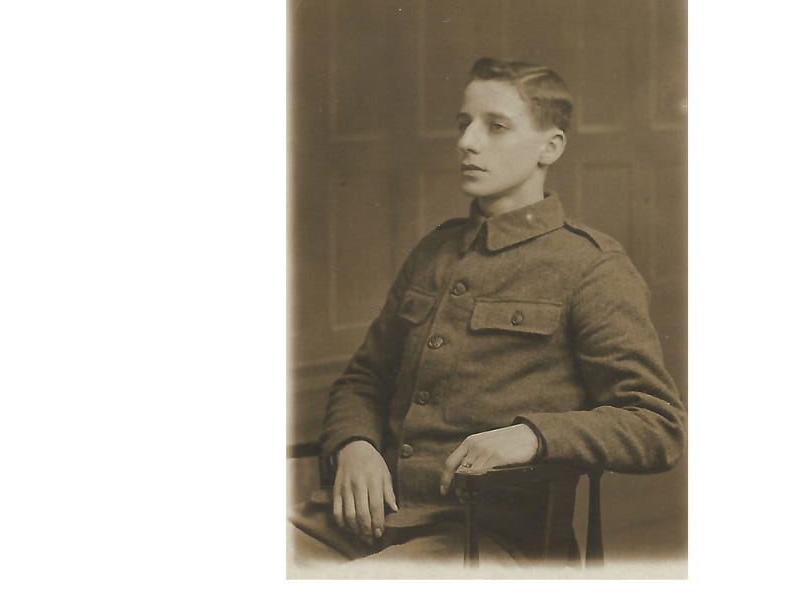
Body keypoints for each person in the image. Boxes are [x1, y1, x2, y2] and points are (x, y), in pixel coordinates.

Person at [288, 57, 686, 570]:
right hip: (362, 523)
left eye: (495, 126)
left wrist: (535, 435)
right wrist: (354, 443)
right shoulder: (435, 251)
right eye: (464, 124)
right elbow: (364, 377)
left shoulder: (591, 267)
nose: (467, 141)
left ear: (551, 147)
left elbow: (657, 424)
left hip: (486, 540)